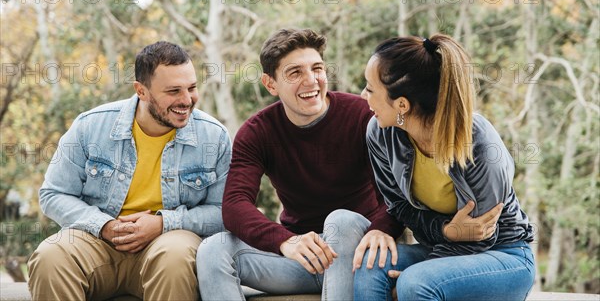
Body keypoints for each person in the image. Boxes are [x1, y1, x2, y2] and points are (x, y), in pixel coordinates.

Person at [197, 28, 403, 300]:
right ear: (270, 84)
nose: (311, 81)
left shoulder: (365, 116)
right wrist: (286, 240)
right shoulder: (258, 132)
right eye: (295, 73)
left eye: (317, 69)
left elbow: (399, 194)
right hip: (302, 259)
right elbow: (235, 205)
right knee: (213, 249)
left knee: (340, 220)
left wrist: (380, 229)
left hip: (357, 251)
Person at [28, 41, 231, 300]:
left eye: (192, 88)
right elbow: (54, 194)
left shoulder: (214, 136)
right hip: (97, 241)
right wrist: (104, 226)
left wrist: (163, 223)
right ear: (141, 91)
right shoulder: (90, 126)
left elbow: (224, 212)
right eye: (173, 91)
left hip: (168, 242)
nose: (186, 100)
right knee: (50, 256)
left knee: (176, 257)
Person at [354, 34, 535, 300]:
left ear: (402, 105)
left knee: (416, 284)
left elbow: (483, 233)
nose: (362, 95)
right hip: (444, 247)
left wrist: (426, 269)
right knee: (371, 263)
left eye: (370, 89)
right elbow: (400, 208)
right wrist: (446, 231)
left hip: (504, 254)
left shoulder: (479, 142)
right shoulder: (381, 133)